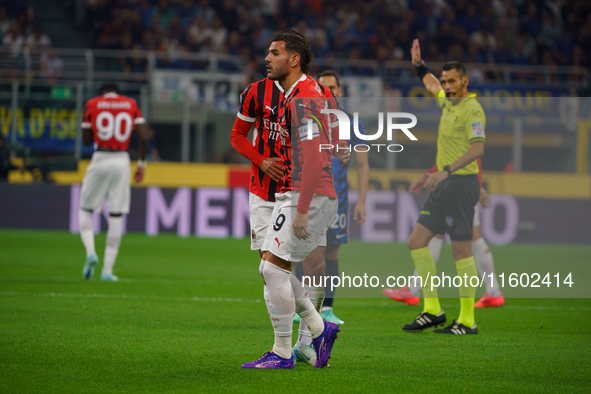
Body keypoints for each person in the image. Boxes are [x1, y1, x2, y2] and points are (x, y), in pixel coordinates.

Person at [241, 30, 341, 369]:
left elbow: (314, 158)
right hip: (300, 193)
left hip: (307, 195)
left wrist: (301, 210)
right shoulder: (303, 93)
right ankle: (317, 327)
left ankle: (284, 352)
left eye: (275, 53)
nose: (267, 58)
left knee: (271, 269)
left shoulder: (303, 98)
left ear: (294, 59)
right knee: (271, 267)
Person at [401, 39, 485, 335]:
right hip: (443, 186)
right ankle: (433, 309)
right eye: (445, 80)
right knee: (416, 242)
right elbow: (431, 85)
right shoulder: (446, 102)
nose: (446, 86)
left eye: (452, 81)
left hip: (461, 185)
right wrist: (418, 66)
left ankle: (467, 320)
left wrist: (446, 171)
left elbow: (478, 149)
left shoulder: (472, 109)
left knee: (461, 252)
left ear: (464, 81)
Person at [294, 69, 370, 326]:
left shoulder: (351, 122)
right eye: (323, 87)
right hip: (307, 194)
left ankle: (326, 308)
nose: (329, 92)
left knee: (332, 253)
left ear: (339, 91)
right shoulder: (306, 118)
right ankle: (300, 305)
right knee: (301, 250)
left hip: (337, 197)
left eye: (333, 88)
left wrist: (361, 201)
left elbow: (363, 165)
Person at [384, 160, 504, 308]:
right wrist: (425, 177)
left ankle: (414, 290)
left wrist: (477, 185)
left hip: (457, 187)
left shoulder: (462, 137)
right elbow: (447, 157)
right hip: (459, 185)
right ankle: (493, 291)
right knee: (474, 240)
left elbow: (472, 153)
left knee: (437, 237)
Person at [79, 82, 148, 282]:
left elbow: (85, 141)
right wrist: (141, 164)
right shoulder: (131, 104)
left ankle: (91, 251)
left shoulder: (92, 104)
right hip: (121, 160)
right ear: (118, 93)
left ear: (102, 93)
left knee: (85, 210)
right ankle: (107, 271)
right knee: (116, 215)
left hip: (100, 156)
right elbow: (144, 135)